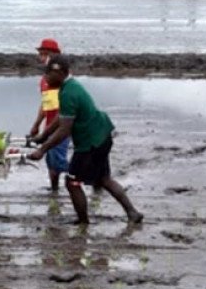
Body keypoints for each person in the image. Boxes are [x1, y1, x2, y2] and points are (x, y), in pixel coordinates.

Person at [28, 55, 144, 225]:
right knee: (104, 179)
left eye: (48, 74)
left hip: (90, 143)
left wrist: (42, 149)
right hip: (102, 135)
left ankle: (83, 221)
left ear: (59, 73)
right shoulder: (69, 86)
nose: (45, 78)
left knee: (72, 182)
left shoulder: (68, 93)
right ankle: (132, 213)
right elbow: (62, 117)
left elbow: (64, 130)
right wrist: (43, 135)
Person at [29, 38, 70, 192]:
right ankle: (54, 189)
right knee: (51, 160)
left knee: (58, 160)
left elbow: (64, 107)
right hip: (50, 125)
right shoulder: (45, 80)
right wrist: (36, 125)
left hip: (62, 126)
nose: (42, 58)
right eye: (40, 54)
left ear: (54, 55)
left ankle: (94, 176)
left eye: (44, 54)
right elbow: (46, 104)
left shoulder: (60, 78)